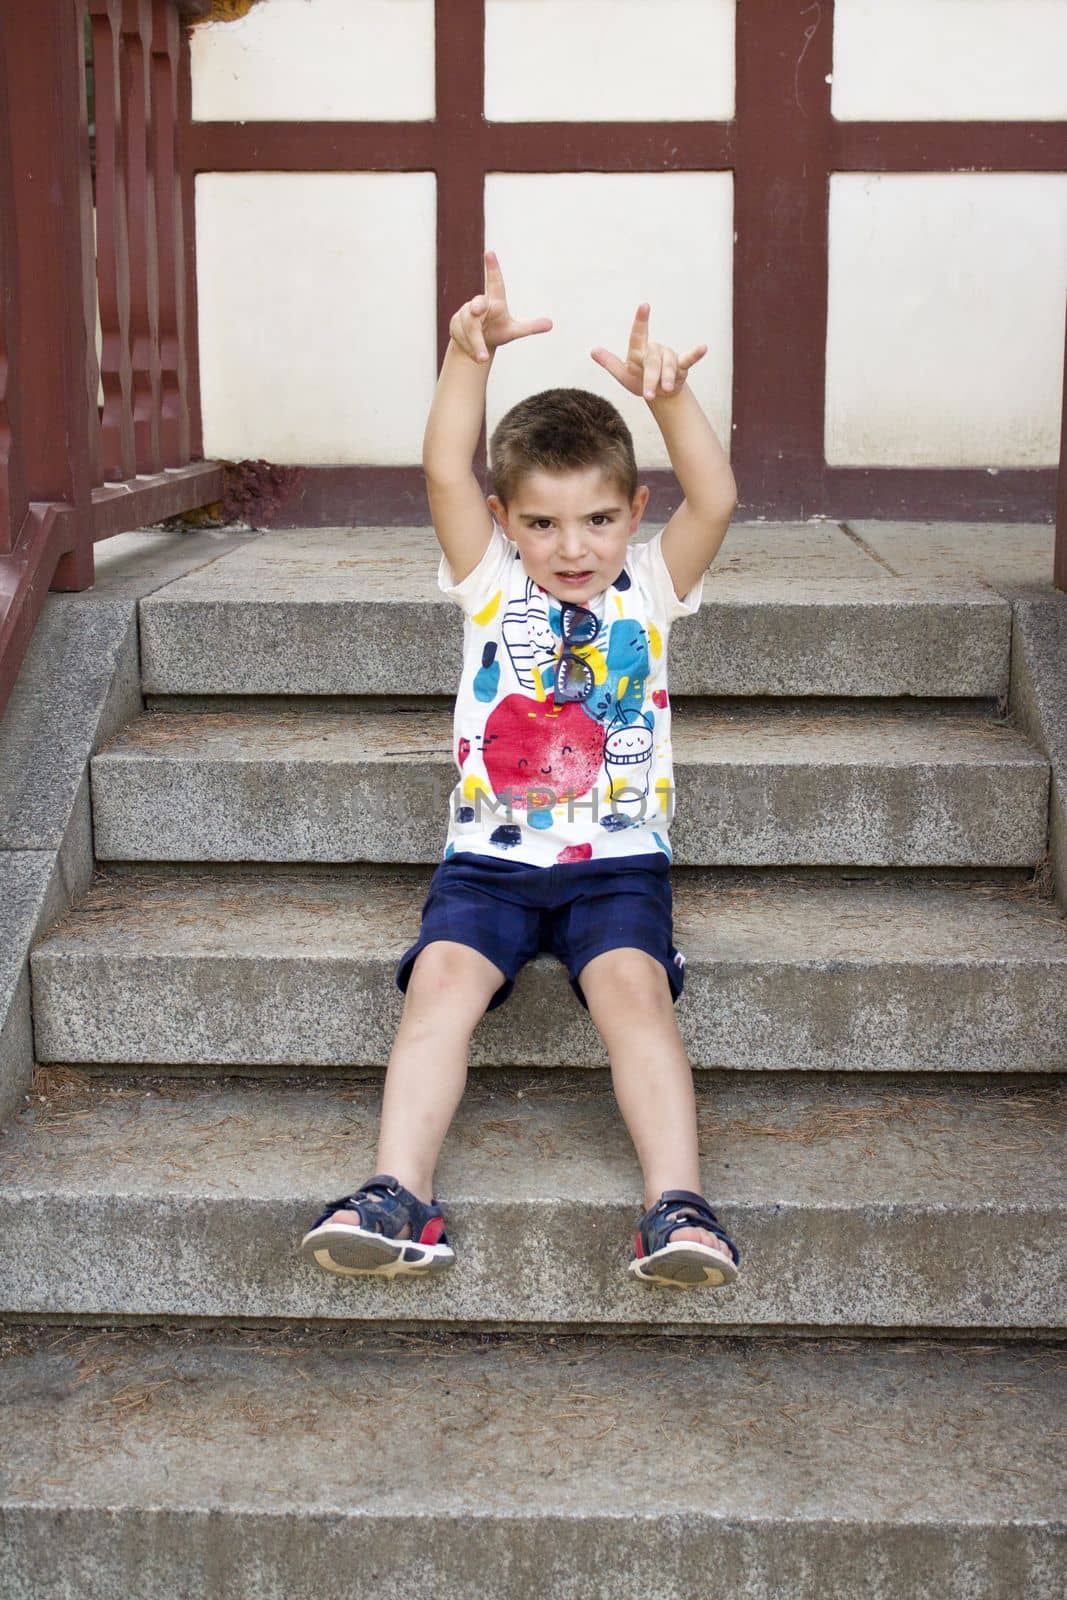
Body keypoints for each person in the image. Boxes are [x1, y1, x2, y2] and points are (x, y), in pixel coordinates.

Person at [303, 252, 740, 1289]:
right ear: (505, 522)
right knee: (441, 986)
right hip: (487, 864)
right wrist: (465, 362)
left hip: (617, 862)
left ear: (632, 510)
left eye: (595, 519)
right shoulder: (490, 581)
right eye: (540, 521)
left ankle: (676, 1204)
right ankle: (395, 1193)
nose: (571, 545)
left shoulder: (651, 586)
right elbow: (444, 471)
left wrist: (670, 401)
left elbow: (714, 500)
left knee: (634, 993)